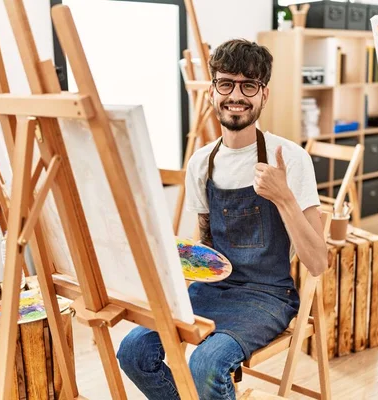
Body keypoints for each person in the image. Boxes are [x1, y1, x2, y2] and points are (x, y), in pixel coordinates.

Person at [117, 38, 327, 400]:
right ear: (213, 90)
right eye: (226, 83)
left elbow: (318, 261)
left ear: (264, 94)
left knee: (206, 363)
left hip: (268, 295)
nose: (236, 95)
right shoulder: (201, 162)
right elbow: (206, 249)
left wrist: (284, 197)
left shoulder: (290, 159)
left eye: (249, 85)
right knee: (133, 351)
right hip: (212, 290)